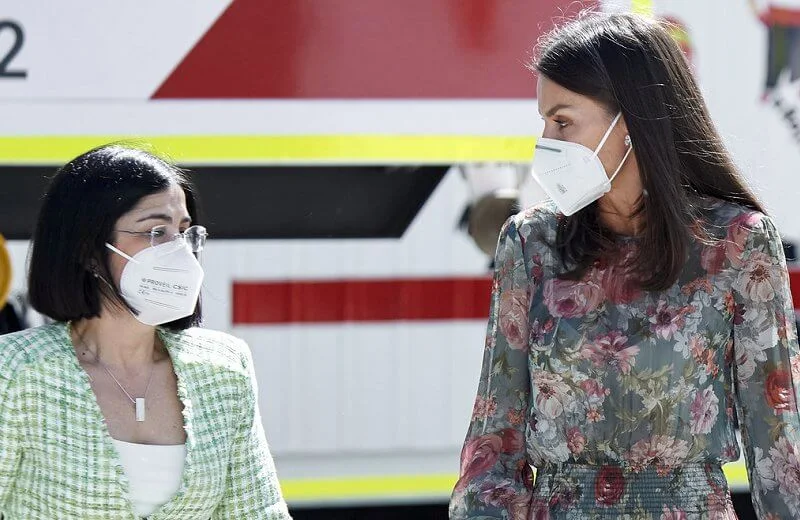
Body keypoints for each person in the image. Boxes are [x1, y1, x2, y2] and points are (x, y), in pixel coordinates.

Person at [450, 11, 800, 519]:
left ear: (633, 119)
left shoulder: (737, 244)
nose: (546, 141)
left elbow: (779, 452)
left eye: (563, 120)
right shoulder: (529, 244)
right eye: (544, 121)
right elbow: (493, 444)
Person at [0, 145, 291, 519]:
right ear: (88, 250)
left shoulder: (223, 367)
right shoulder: (15, 371)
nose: (178, 251)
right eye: (155, 231)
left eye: (184, 232)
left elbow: (259, 510)